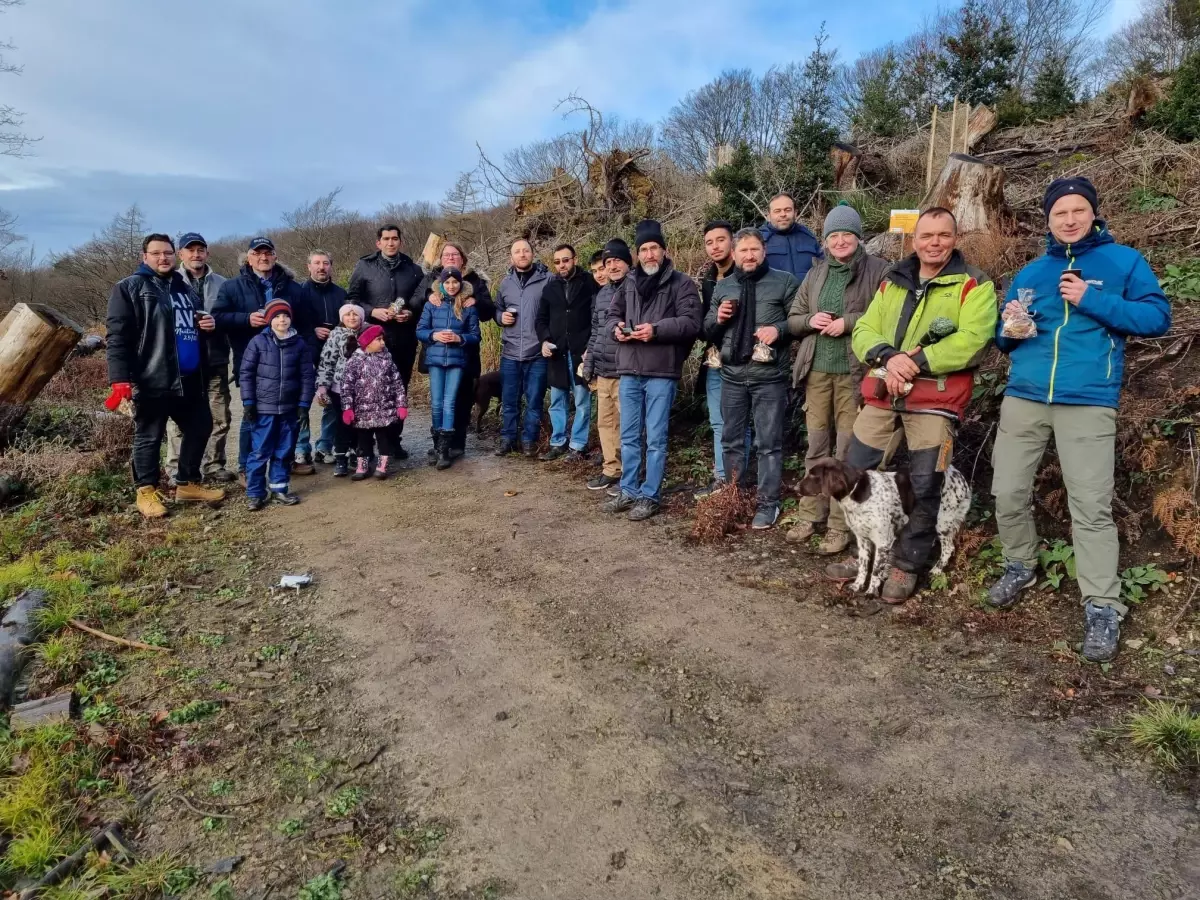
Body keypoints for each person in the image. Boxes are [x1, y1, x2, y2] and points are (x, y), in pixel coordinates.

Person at [988, 177, 1171, 662]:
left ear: (1093, 213)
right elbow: (1005, 338)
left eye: (1077, 210)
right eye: (1059, 213)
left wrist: (1091, 299)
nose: (1069, 219)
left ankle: (1102, 605)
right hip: (1025, 395)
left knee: (1090, 506)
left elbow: (1157, 319)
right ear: (1047, 220)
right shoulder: (1031, 270)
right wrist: (1007, 330)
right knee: (1006, 490)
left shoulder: (1123, 262)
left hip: (1088, 400)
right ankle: (1019, 564)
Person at [826, 208, 998, 602]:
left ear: (955, 237)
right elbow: (865, 329)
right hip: (884, 395)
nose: (934, 242)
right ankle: (864, 554)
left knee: (925, 483)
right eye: (926, 235)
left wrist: (914, 362)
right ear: (914, 239)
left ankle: (906, 565)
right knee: (857, 473)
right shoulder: (894, 280)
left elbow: (974, 338)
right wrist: (888, 356)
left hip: (935, 400)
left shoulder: (973, 284)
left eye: (943, 235)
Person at [786, 204, 891, 553]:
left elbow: (887, 316)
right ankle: (808, 513)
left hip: (854, 373)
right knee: (816, 447)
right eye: (834, 235)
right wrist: (810, 321)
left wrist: (847, 322)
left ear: (858, 237)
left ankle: (838, 525)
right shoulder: (815, 274)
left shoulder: (878, 270)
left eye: (847, 234)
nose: (840, 241)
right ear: (826, 240)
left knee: (845, 452)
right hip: (816, 372)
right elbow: (794, 317)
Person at [105, 233, 225, 518]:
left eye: (168, 253)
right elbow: (118, 337)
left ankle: (187, 484)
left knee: (200, 427)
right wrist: (119, 379)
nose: (164, 258)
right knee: (149, 436)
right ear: (144, 256)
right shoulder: (130, 288)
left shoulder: (183, 287)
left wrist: (204, 325)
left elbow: (184, 327)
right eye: (157, 253)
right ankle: (146, 492)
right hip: (153, 377)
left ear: (175, 256)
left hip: (189, 377)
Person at [603, 220, 703, 521]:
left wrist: (656, 330)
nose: (649, 255)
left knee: (656, 438)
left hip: (661, 372)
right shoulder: (629, 282)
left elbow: (691, 323)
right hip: (629, 369)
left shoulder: (682, 283)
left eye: (654, 248)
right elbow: (612, 315)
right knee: (630, 435)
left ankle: (650, 495)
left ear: (664, 250)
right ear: (638, 254)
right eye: (644, 250)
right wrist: (616, 329)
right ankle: (629, 490)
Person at [704, 228, 799, 529]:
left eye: (754, 250)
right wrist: (718, 319)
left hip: (769, 376)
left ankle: (767, 504)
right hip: (731, 376)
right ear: (734, 254)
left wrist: (779, 330)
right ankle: (734, 497)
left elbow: (799, 321)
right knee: (731, 440)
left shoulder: (784, 282)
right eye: (743, 251)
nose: (749, 256)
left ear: (763, 251)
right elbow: (707, 329)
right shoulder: (724, 286)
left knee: (768, 443)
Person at [212, 236, 303, 481]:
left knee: (288, 414)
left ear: (275, 256)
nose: (263, 257)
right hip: (251, 362)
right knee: (252, 414)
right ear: (249, 257)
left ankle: (285, 461)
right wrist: (245, 319)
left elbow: (304, 321)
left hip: (288, 362)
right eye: (257, 253)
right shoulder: (232, 287)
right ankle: (246, 466)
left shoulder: (292, 287)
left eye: (268, 253)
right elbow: (217, 318)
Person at [347, 224, 425, 458]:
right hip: (371, 339)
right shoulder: (365, 266)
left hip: (403, 339)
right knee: (367, 391)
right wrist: (373, 312)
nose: (391, 243)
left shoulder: (413, 269)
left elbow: (421, 299)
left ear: (400, 241)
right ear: (378, 243)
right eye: (386, 239)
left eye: (395, 239)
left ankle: (393, 442)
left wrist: (410, 312)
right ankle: (364, 445)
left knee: (397, 389)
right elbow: (351, 299)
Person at [416, 242, 495, 460]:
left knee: (460, 399)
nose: (450, 257)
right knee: (440, 400)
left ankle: (456, 443)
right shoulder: (431, 278)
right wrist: (428, 296)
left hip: (464, 353)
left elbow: (488, 311)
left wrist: (475, 301)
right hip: (437, 351)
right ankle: (439, 446)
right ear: (440, 259)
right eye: (446, 254)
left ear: (463, 258)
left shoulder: (475, 280)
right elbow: (416, 304)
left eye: (455, 254)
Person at [166, 232, 230, 484]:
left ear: (207, 253)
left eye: (200, 249)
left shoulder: (223, 283)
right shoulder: (169, 282)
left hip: (215, 358)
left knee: (219, 414)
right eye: (190, 250)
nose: (196, 254)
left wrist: (218, 323)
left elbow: (230, 316)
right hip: (182, 362)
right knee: (179, 419)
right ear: (180, 254)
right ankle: (176, 470)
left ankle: (214, 465)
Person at [239, 299, 315, 510]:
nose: (282, 320)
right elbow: (246, 374)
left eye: (286, 316)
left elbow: (308, 376)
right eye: (277, 316)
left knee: (284, 451)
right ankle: (255, 492)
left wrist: (303, 404)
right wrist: (248, 402)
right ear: (269, 319)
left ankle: (279, 488)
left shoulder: (299, 344)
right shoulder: (258, 342)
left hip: (290, 409)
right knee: (260, 451)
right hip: (264, 408)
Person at [536, 243, 598, 461]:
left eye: (566, 260)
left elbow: (597, 316)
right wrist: (544, 340)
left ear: (575, 259)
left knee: (582, 400)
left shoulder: (589, 283)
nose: (562, 265)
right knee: (557, 400)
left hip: (581, 353)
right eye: (558, 262)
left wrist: (592, 344)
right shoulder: (550, 287)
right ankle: (558, 442)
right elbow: (541, 319)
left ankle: (578, 445)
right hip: (557, 353)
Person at [493, 239, 551, 458]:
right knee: (509, 400)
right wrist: (500, 317)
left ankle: (529, 440)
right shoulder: (505, 283)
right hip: (510, 351)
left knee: (534, 400)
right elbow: (496, 309)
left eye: (525, 250)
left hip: (536, 351)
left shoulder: (547, 280)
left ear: (532, 254)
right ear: (511, 257)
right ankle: (508, 438)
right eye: (517, 251)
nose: (522, 254)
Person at [696, 220, 741, 497]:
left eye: (720, 240)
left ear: (732, 242)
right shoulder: (709, 278)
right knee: (717, 421)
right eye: (709, 242)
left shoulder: (745, 273)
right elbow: (705, 322)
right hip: (715, 359)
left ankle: (738, 480)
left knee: (737, 422)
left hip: (740, 359)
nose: (715, 246)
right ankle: (722, 479)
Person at [582, 239, 630, 494]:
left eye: (616, 261)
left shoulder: (635, 288)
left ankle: (631, 473)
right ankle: (611, 469)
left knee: (628, 425)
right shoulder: (602, 294)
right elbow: (596, 333)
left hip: (625, 369)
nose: (611, 266)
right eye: (607, 262)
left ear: (627, 262)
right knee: (605, 422)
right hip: (603, 369)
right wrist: (589, 363)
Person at [294, 249, 347, 470]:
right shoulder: (299, 292)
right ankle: (301, 448)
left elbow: (349, 321)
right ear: (309, 266)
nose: (321, 267)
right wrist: (312, 330)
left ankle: (325, 445)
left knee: (333, 400)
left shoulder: (341, 293)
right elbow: (290, 322)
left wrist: (335, 331)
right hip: (306, 352)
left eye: (325, 263)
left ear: (331, 266)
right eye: (316, 263)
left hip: (334, 354)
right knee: (302, 401)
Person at [340, 324, 408, 481]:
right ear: (367, 342)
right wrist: (347, 408)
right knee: (363, 441)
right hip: (363, 411)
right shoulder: (354, 362)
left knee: (384, 439)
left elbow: (397, 384)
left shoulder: (387, 359)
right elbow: (346, 387)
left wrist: (401, 404)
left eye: (382, 339)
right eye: (378, 339)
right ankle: (362, 466)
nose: (382, 342)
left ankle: (382, 465)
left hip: (384, 410)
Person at [315, 304, 365, 477]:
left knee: (360, 423)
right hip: (339, 388)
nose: (352, 318)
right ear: (342, 318)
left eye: (355, 315)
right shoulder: (336, 335)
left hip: (362, 388)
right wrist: (322, 387)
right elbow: (327, 362)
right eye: (348, 315)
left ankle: (357, 453)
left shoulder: (368, 333)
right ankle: (341, 456)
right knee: (343, 422)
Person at [759, 193, 822, 282]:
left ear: (795, 213)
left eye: (787, 210)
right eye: (777, 211)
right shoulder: (758, 240)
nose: (783, 214)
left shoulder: (809, 238)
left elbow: (823, 268)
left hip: (807, 295)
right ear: (768, 216)